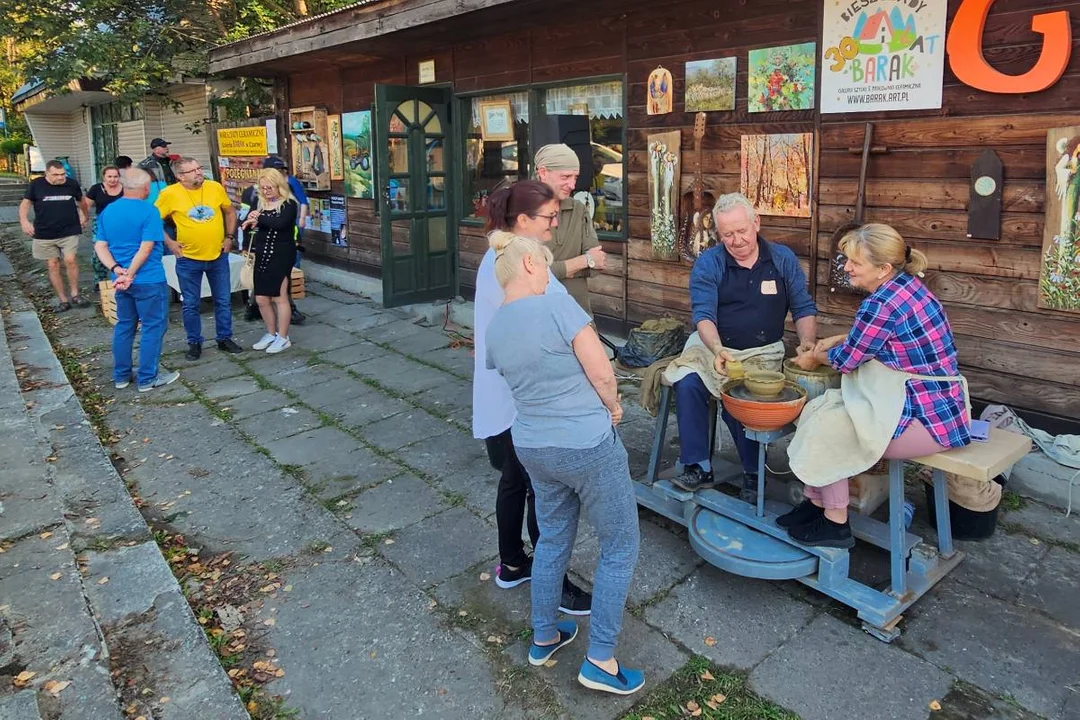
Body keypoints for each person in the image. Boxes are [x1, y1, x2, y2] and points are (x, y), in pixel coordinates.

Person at [485, 230, 643, 696]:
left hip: (533, 445)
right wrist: (613, 407)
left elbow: (512, 375)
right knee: (620, 545)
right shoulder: (557, 306)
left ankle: (544, 635)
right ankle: (601, 660)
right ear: (532, 264)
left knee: (552, 538)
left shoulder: (494, 325)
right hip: (587, 444)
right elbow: (599, 369)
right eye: (546, 264)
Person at [783, 224, 970, 547]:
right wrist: (838, 341)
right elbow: (877, 342)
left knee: (830, 428)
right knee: (820, 410)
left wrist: (815, 357)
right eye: (847, 259)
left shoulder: (880, 304)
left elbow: (848, 360)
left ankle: (835, 523)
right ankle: (815, 504)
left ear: (883, 268)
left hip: (923, 419)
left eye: (855, 262)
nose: (847, 267)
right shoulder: (907, 287)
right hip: (941, 406)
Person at [472, 180, 591, 616]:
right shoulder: (520, 262)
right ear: (522, 221)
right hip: (524, 396)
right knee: (545, 491)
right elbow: (554, 319)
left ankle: (513, 563)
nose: (555, 224)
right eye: (549, 217)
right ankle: (553, 582)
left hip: (507, 391)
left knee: (515, 481)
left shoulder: (498, 256)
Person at [671, 193, 818, 500]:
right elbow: (703, 315)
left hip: (763, 351)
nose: (736, 240)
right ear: (718, 234)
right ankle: (698, 465)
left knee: (743, 397)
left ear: (757, 223)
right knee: (687, 384)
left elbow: (803, 307)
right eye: (727, 235)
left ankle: (753, 472)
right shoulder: (709, 263)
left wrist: (807, 343)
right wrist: (717, 349)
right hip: (712, 345)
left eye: (742, 231)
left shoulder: (781, 258)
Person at [93, 168, 178, 392]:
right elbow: (147, 246)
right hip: (147, 278)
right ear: (146, 188)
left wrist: (117, 269)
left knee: (125, 325)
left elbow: (100, 245)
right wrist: (131, 273)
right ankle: (147, 378)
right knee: (153, 327)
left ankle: (121, 376)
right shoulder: (148, 211)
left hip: (121, 280)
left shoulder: (109, 211)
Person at [156, 156, 242, 360]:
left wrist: (229, 237)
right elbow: (152, 220)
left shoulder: (214, 188)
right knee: (191, 303)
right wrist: (170, 243)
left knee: (223, 300)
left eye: (199, 168)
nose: (199, 173)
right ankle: (194, 342)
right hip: (188, 258)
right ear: (180, 176)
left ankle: (224, 338)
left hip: (218, 255)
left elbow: (230, 212)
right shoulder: (169, 194)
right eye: (193, 170)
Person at [533, 144, 606, 316]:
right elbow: (529, 275)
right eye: (565, 177)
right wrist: (583, 261)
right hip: (539, 317)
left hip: (578, 314)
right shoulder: (521, 212)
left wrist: (553, 270)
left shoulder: (578, 209)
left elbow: (598, 263)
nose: (573, 185)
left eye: (575, 177)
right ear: (543, 173)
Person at [242, 156, 308, 326]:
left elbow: (282, 222)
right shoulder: (252, 194)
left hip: (284, 248)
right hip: (262, 248)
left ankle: (290, 311)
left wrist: (299, 232)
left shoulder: (288, 198)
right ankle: (253, 306)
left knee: (282, 291)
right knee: (261, 289)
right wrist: (246, 237)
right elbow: (246, 220)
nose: (266, 190)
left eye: (281, 171)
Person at [19, 160, 90, 311]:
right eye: (56, 175)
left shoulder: (71, 184)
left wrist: (84, 215)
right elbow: (25, 204)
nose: (60, 178)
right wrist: (24, 221)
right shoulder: (36, 185)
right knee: (52, 264)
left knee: (70, 260)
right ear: (47, 174)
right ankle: (63, 300)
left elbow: (82, 202)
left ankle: (75, 294)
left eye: (62, 174)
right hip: (45, 232)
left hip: (69, 229)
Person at [241, 169, 299, 354]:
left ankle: (283, 337)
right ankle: (271, 333)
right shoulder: (258, 203)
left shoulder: (289, 204)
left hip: (281, 254)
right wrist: (248, 222)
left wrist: (259, 218)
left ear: (279, 186)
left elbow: (280, 224)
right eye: (263, 188)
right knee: (261, 298)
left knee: (279, 297)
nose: (266, 191)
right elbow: (247, 224)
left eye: (269, 187)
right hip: (262, 253)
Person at [85, 165, 125, 286]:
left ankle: (122, 276)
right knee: (98, 253)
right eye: (109, 177)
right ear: (103, 177)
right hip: (101, 223)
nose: (113, 179)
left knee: (120, 250)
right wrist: (83, 218)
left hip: (121, 224)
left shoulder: (125, 189)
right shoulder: (96, 188)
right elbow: (85, 206)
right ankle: (100, 280)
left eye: (115, 176)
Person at [138, 138, 176, 203]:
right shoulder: (146, 164)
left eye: (166, 146)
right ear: (156, 150)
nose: (167, 148)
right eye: (163, 146)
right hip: (157, 199)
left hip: (173, 196)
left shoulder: (171, 162)